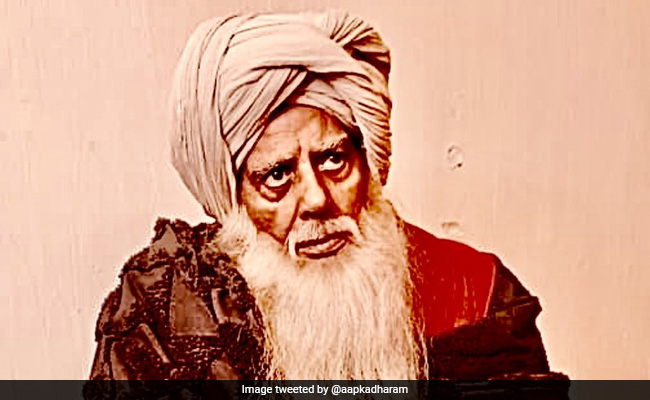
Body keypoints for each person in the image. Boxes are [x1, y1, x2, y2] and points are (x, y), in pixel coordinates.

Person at [89, 10, 564, 382]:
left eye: (334, 159)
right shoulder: (171, 313)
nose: (317, 199)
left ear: (366, 160)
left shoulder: (475, 294)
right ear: (234, 198)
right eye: (277, 175)